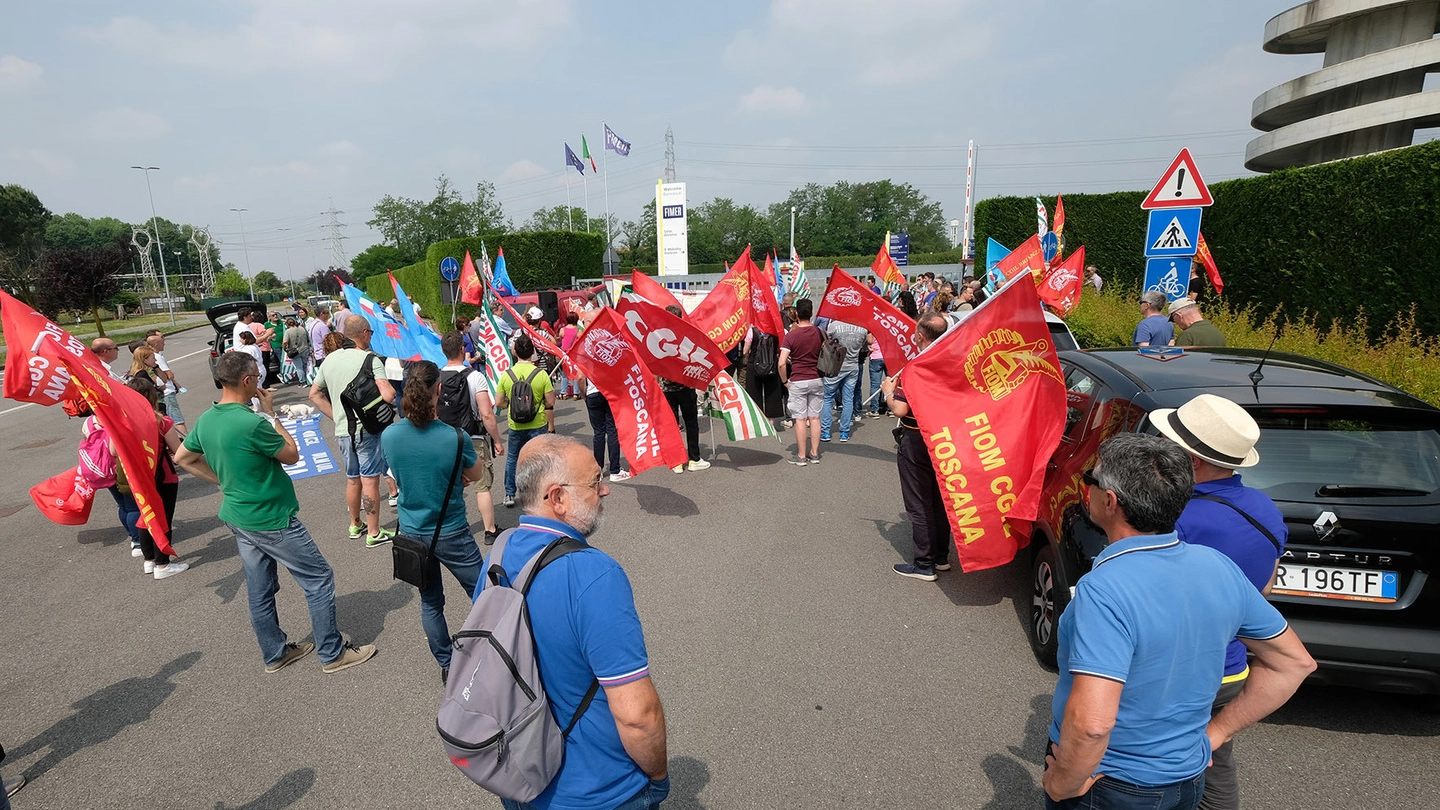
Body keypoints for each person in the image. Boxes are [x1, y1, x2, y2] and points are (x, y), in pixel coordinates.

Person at [1043, 434, 1316, 810]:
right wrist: (1215, 735)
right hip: (1185, 781)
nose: (1086, 486)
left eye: (1091, 478)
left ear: (1110, 501)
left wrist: (1062, 783)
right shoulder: (1217, 566)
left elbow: (1092, 723)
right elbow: (1295, 662)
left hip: (1111, 785)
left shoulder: (1105, 588)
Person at [478, 435, 669, 810]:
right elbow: (638, 717)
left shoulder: (497, 554)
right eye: (594, 481)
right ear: (557, 498)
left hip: (519, 775)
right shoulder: (594, 574)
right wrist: (659, 778)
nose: (605, 490)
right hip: (600, 790)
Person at [176, 352, 378, 674]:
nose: (260, 381)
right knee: (319, 577)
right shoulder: (252, 422)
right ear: (247, 381)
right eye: (257, 376)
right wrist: (271, 414)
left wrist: (224, 480)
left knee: (260, 589)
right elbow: (292, 455)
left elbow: (183, 457)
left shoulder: (207, 418)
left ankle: (275, 652)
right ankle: (332, 652)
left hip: (238, 516)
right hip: (271, 517)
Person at [1156, 395, 1286, 810]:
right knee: (1213, 758)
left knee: (1138, 759)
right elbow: (1264, 588)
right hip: (1231, 666)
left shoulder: (1178, 518)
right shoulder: (1265, 508)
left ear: (1192, 462)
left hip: (1175, 668)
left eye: (1170, 444)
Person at [382, 361, 485, 684]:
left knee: (430, 602)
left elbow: (400, 475)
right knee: (484, 592)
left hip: (412, 531)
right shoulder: (455, 438)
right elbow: (477, 475)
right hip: (452, 528)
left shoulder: (390, 436)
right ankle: (495, 650)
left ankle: (446, 661)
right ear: (438, 390)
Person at [308, 314, 397, 548]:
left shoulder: (329, 360)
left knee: (352, 479)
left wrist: (335, 414)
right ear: (365, 333)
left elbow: (314, 394)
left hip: (342, 430)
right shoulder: (370, 360)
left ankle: (355, 523)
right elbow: (388, 395)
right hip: (365, 429)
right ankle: (374, 532)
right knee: (370, 481)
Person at [878, 312, 952, 581]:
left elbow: (900, 408)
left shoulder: (916, 367)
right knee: (940, 500)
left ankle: (924, 563)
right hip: (944, 438)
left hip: (917, 438)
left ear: (920, 336)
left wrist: (887, 390)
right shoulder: (950, 361)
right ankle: (941, 556)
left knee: (919, 503)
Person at [438, 331, 503, 543]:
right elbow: (486, 414)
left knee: (450, 485)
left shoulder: (436, 378)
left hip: (445, 439)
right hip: (472, 437)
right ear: (462, 350)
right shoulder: (475, 377)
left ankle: (451, 529)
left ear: (443, 351)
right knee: (482, 486)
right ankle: (490, 530)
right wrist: (497, 440)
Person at [126, 376, 188, 579]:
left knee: (146, 515)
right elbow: (178, 452)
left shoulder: (123, 423)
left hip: (138, 477)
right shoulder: (161, 421)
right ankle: (163, 564)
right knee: (163, 518)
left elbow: (114, 451)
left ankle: (149, 560)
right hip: (163, 476)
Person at [496, 333, 556, 508]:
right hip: (537, 422)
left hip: (515, 423)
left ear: (515, 352)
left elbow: (498, 402)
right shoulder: (541, 374)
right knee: (539, 458)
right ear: (532, 352)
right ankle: (540, 492)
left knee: (513, 457)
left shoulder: (507, 375)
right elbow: (550, 401)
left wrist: (511, 405)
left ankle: (509, 493)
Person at [657, 308, 710, 473]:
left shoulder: (658, 335)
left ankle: (677, 461)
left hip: (666, 388)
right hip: (685, 386)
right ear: (680, 317)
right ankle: (694, 459)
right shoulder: (685, 335)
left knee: (672, 425)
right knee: (691, 423)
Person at [779, 298, 824, 466]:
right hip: (817, 378)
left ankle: (801, 456)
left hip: (798, 379)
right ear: (811, 313)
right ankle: (814, 453)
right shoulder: (820, 332)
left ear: (796, 313)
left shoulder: (791, 335)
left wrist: (785, 381)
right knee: (814, 418)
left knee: (800, 419)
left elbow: (782, 363)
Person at [819, 318, 868, 443]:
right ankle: (844, 432)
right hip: (852, 365)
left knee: (828, 398)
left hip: (835, 366)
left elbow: (827, 340)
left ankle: (825, 431)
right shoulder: (862, 328)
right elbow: (863, 343)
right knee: (848, 399)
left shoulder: (834, 325)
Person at [580, 368, 632, 484]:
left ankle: (598, 470)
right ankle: (615, 470)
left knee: (599, 433)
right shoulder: (607, 354)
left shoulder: (585, 356)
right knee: (612, 430)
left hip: (592, 394)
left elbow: (581, 378)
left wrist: (584, 395)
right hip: (609, 393)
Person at [145, 332, 186, 434]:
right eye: (162, 341)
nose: (164, 344)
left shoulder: (156, 356)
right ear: (156, 345)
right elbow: (169, 375)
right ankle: (185, 441)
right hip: (167, 392)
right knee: (178, 420)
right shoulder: (157, 357)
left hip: (165, 392)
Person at [556, 313, 582, 399]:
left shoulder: (562, 330)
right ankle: (576, 393)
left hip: (565, 353)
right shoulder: (578, 331)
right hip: (575, 354)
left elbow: (559, 339)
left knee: (565, 374)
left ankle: (564, 393)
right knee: (575, 373)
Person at [283, 315, 313, 384]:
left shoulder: (288, 331)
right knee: (305, 365)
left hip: (295, 351)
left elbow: (285, 342)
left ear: (287, 324)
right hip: (305, 348)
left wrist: (285, 349)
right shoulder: (302, 328)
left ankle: (302, 381)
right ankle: (308, 379)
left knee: (299, 367)